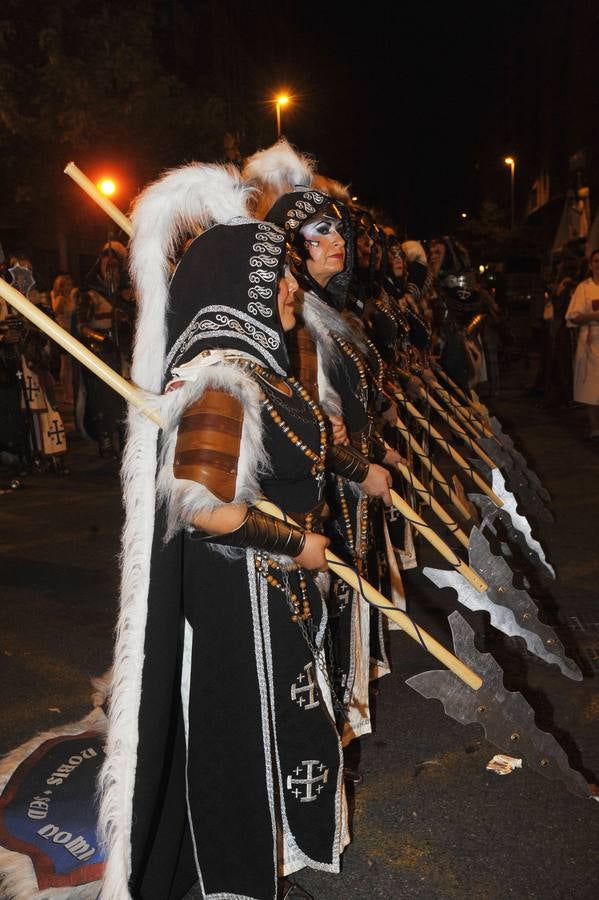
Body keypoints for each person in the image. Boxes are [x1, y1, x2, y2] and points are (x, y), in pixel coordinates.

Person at [99, 163, 350, 900]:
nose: (293, 289)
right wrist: (296, 545)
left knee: (276, 725)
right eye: (277, 278)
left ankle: (269, 850)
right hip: (240, 593)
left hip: (269, 591)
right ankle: (235, 870)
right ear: (241, 285)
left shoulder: (258, 370)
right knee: (239, 730)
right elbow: (203, 506)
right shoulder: (222, 376)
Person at [565, 247, 599, 439]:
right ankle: (594, 426)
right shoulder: (584, 288)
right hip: (591, 341)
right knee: (592, 386)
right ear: (590, 264)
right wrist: (593, 316)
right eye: (596, 261)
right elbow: (573, 316)